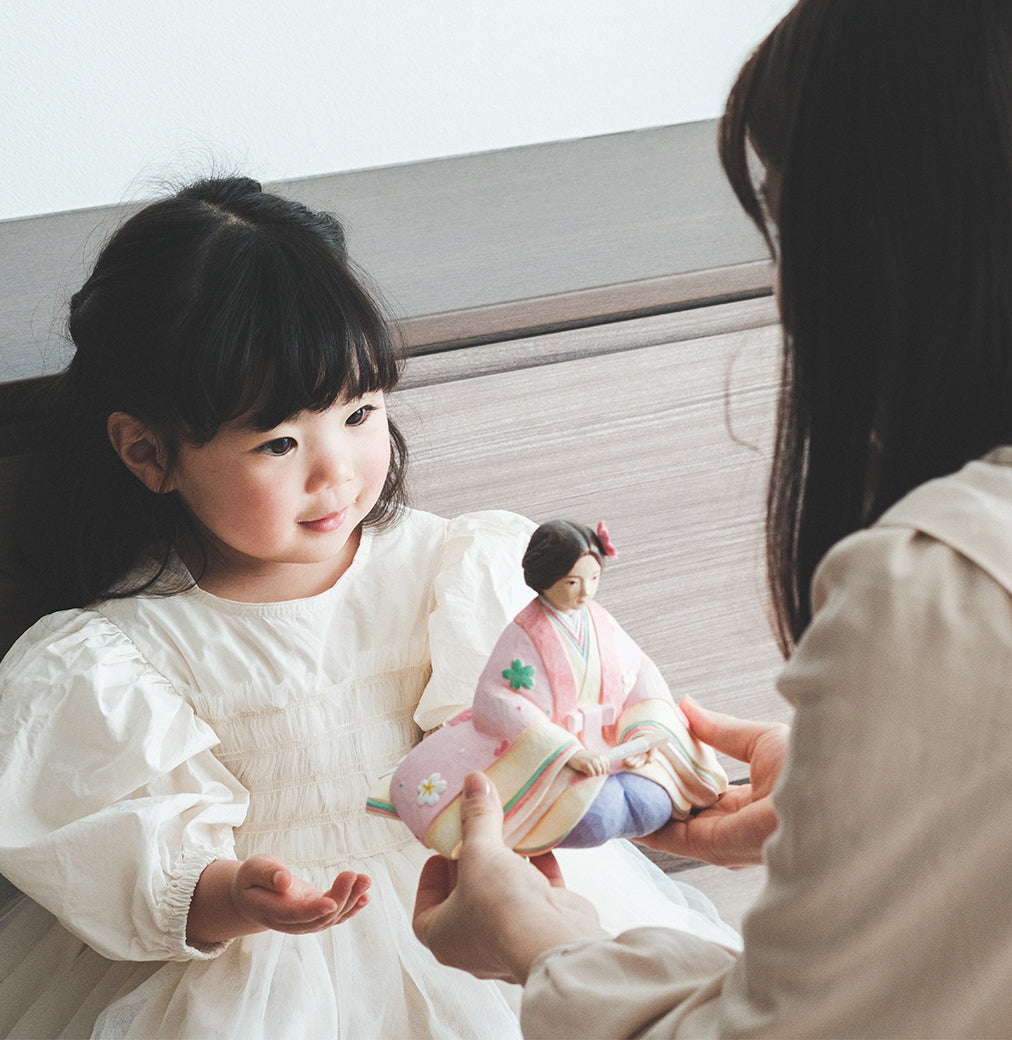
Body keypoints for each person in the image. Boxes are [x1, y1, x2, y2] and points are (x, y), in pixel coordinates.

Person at [412, 0, 1012, 1036]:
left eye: (788, 228)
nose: (785, 290)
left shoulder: (946, 591)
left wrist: (541, 943)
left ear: (895, 242)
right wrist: (869, 782)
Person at [0, 177, 738, 1039]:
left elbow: (555, 704)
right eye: (280, 442)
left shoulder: (454, 570)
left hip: (473, 905)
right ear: (148, 451)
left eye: (359, 413)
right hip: (261, 978)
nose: (337, 472)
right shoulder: (119, 659)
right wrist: (235, 895)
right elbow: (123, 863)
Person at [370, 519, 726, 856]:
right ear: (545, 579)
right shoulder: (525, 632)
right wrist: (568, 751)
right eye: (572, 582)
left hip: (615, 743)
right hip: (551, 753)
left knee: (652, 803)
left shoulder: (599, 619)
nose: (586, 592)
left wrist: (642, 735)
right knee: (599, 815)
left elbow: (640, 673)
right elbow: (499, 697)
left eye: (594, 578)